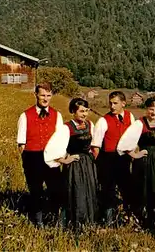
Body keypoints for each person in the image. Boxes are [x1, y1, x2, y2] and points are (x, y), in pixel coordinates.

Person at [117, 97, 155, 234]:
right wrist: (135, 154)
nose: (153, 112)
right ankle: (144, 221)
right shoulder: (139, 124)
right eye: (151, 109)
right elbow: (123, 144)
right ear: (146, 109)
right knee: (145, 189)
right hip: (144, 162)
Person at [44, 98, 98, 229]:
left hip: (88, 164)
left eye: (86, 111)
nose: (84, 114)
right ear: (73, 112)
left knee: (89, 191)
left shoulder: (90, 125)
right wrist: (64, 160)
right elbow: (51, 148)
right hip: (74, 165)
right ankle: (74, 224)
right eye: (81, 111)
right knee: (76, 191)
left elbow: (95, 144)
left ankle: (88, 223)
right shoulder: (66, 128)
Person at [16, 82, 64, 227]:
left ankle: (54, 219)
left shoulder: (57, 115)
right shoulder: (25, 115)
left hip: (51, 157)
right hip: (32, 157)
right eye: (42, 95)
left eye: (48, 96)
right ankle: (38, 221)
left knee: (55, 189)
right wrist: (27, 160)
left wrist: (58, 157)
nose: (45, 99)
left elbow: (60, 138)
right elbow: (21, 143)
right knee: (35, 190)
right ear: (36, 95)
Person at [90, 91, 135, 225]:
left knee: (127, 189)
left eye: (115, 103)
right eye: (110, 103)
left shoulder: (130, 116)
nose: (112, 106)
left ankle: (127, 218)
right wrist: (100, 164)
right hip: (108, 159)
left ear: (123, 103)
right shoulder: (103, 120)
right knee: (108, 190)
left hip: (124, 159)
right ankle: (107, 220)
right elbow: (96, 146)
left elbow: (132, 137)